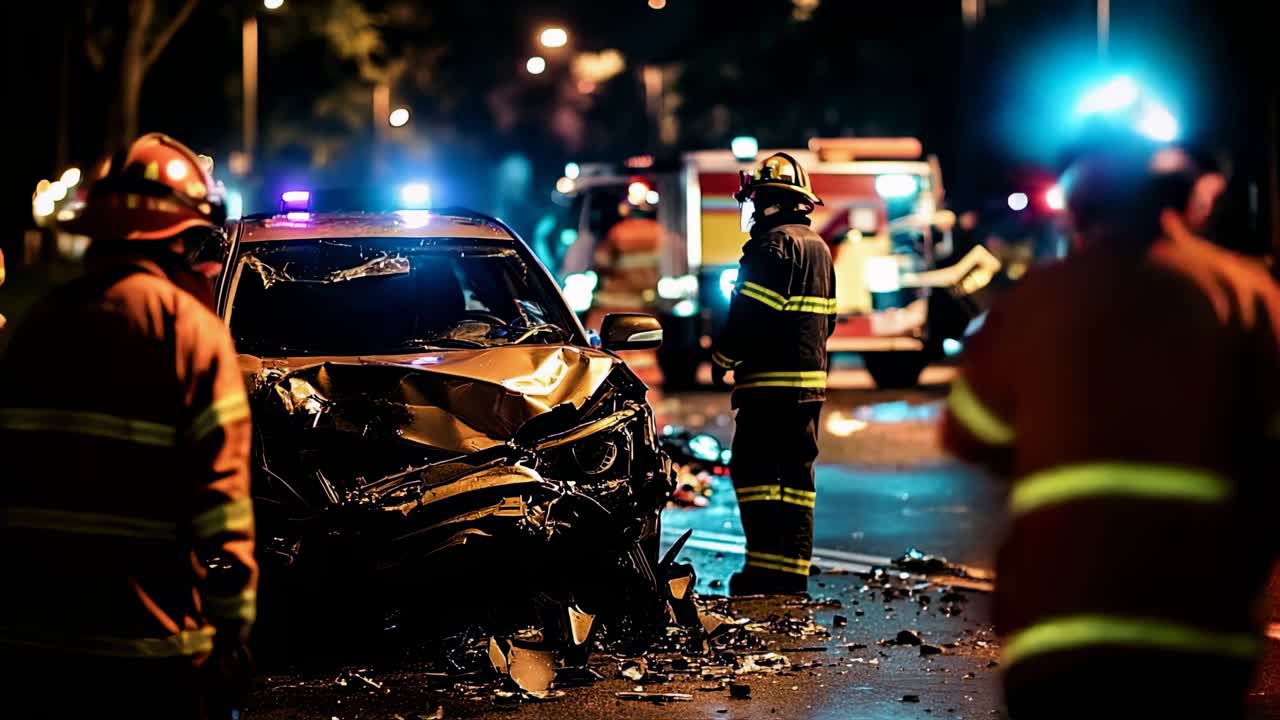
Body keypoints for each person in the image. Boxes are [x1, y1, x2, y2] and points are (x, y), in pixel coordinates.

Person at [942, 132, 1280, 718]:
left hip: (1058, 630)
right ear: (1184, 199)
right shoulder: (1246, 294)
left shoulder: (1036, 302)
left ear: (1077, 209)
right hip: (1198, 629)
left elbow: (970, 431)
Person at [0, 133, 257, 719]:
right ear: (180, 239)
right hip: (152, 658)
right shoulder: (190, 335)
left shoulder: (33, 329)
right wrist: (231, 631)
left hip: (30, 652)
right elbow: (223, 515)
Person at [712, 152, 837, 595]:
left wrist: (722, 359)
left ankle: (764, 574)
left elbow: (749, 318)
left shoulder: (770, 248)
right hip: (808, 389)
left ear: (766, 202)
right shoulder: (818, 248)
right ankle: (792, 573)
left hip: (768, 390)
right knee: (797, 481)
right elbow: (829, 322)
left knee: (757, 476)